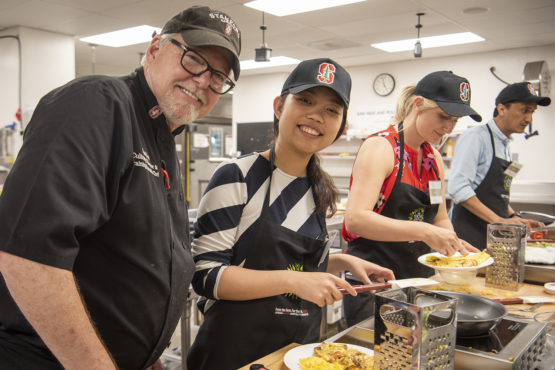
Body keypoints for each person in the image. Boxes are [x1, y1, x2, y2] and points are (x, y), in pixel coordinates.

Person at [0, 5, 241, 369]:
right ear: (155, 49)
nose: (204, 81)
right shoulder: (98, 102)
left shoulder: (163, 138)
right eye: (194, 60)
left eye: (219, 76)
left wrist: (149, 355)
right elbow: (28, 255)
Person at [186, 58, 394, 369]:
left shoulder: (318, 187)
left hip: (295, 353)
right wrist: (295, 282)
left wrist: (339, 262)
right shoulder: (237, 175)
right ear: (279, 106)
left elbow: (291, 262)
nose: (316, 116)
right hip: (233, 353)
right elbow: (207, 276)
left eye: (331, 110)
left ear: (342, 126)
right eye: (305, 100)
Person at [341, 71, 481, 326]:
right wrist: (424, 231)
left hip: (418, 283)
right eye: (443, 117)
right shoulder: (381, 148)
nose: (449, 128)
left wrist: (453, 247)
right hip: (374, 283)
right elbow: (355, 220)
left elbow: (438, 218)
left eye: (455, 120)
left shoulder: (433, 158)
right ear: (418, 104)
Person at [448, 82, 550, 250]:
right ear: (502, 109)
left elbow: (497, 195)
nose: (529, 119)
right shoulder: (476, 138)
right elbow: (458, 188)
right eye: (525, 110)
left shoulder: (505, 145)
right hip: (468, 237)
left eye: (532, 112)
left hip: (491, 236)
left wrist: (513, 217)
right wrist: (500, 221)